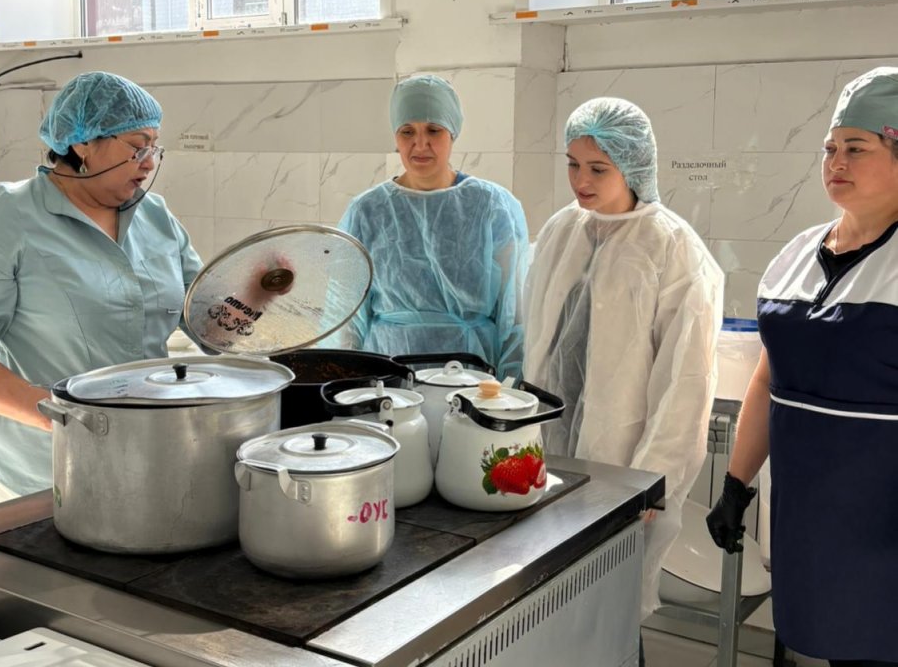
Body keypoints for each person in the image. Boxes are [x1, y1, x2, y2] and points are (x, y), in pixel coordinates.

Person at [0, 71, 202, 511]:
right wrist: (68, 417)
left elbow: (201, 311)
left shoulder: (154, 215)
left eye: (154, 148)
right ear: (83, 144)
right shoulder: (8, 215)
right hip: (27, 467)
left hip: (138, 453)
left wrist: (253, 288)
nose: (149, 163)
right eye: (137, 146)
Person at [707, 67, 898, 667]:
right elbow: (771, 378)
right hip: (807, 514)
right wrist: (736, 483)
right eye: (829, 148)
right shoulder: (796, 256)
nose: (836, 161)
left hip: (885, 519)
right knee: (823, 643)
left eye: (856, 148)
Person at [524, 97, 723, 637]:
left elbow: (685, 384)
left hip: (623, 464)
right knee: (550, 609)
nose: (580, 181)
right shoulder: (562, 231)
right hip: (548, 453)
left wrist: (653, 480)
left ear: (633, 167)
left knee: (608, 615)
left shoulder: (673, 248)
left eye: (598, 168)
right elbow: (538, 342)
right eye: (572, 164)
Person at [338, 74, 529, 381]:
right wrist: (350, 382)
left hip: (471, 376)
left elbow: (513, 312)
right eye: (407, 131)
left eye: (433, 130)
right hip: (387, 377)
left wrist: (508, 385)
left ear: (452, 132)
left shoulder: (491, 206)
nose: (420, 143)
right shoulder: (367, 211)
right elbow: (349, 317)